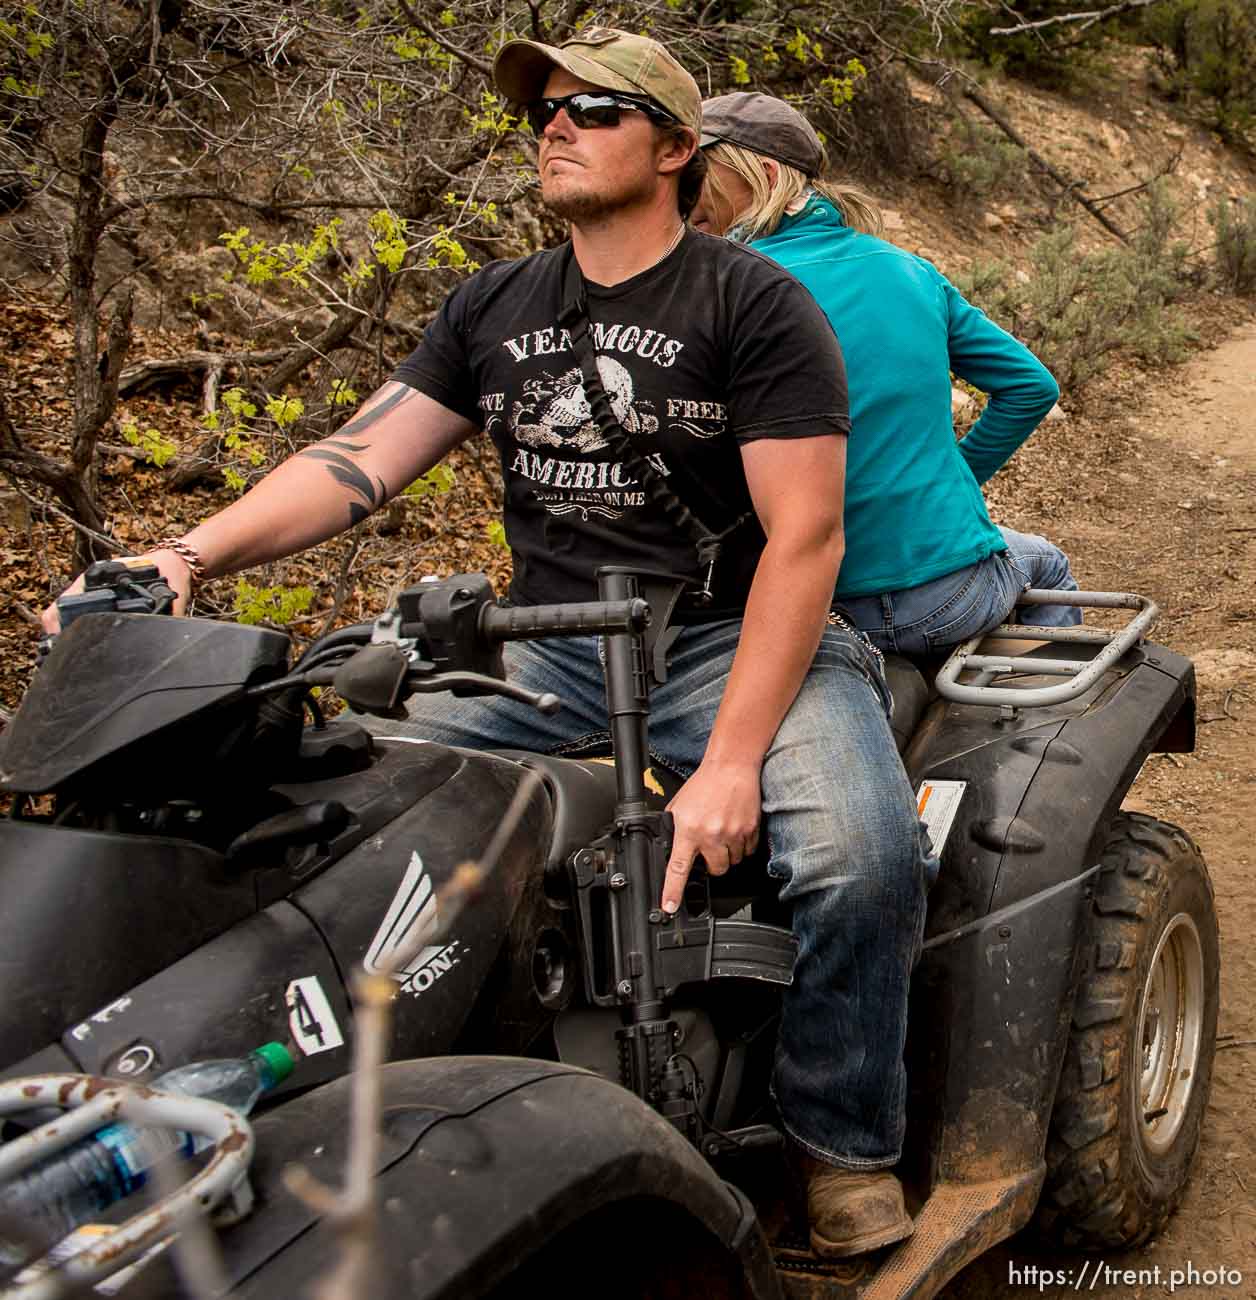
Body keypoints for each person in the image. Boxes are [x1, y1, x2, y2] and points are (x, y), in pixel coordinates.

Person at [43, 32, 934, 1259]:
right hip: (547, 650)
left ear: (676, 149)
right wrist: (186, 555)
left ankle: (840, 1144)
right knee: (341, 817)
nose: (553, 128)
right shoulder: (495, 305)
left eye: (594, 110)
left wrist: (730, 760)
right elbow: (356, 461)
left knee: (857, 854)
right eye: (545, 113)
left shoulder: (755, 302)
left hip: (728, 646)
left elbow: (804, 540)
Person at [692, 91, 1081, 657]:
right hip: (949, 593)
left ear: (765, 173)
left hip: (800, 607)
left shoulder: (716, 292)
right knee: (1045, 561)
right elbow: (1030, 387)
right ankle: (1047, 732)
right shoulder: (908, 270)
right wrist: (956, 483)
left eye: (701, 169)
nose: (683, 192)